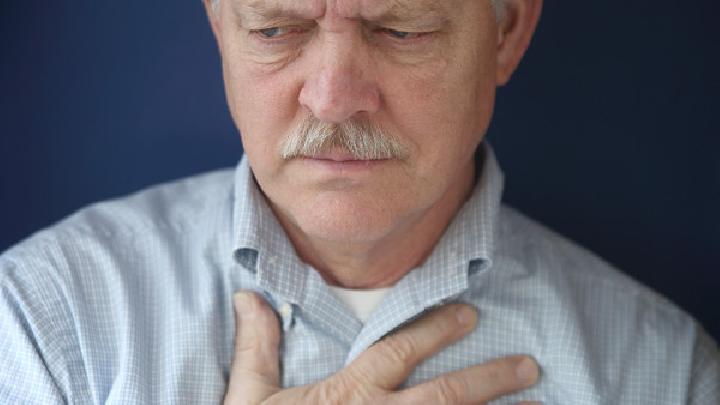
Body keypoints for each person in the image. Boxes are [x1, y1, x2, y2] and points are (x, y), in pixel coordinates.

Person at [0, 0, 717, 403]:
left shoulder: (664, 373)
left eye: (401, 29)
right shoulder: (43, 325)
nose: (334, 99)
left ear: (507, 31)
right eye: (278, 29)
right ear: (220, 23)